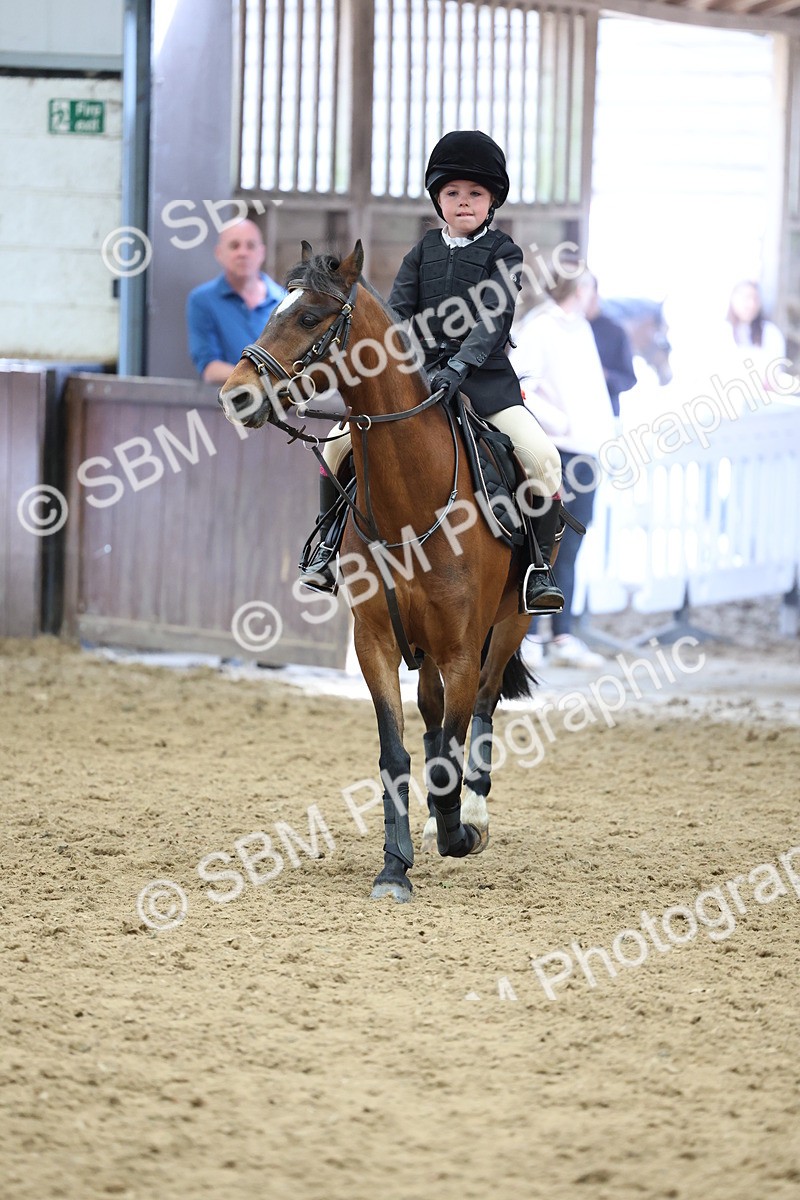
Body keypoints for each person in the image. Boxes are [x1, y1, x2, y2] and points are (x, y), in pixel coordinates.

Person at [300, 130, 565, 615]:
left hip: (484, 382)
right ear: (438, 200)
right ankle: (325, 547)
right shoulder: (422, 250)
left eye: (475, 194)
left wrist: (460, 366)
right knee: (336, 445)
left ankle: (536, 571)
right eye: (453, 194)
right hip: (418, 377)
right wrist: (408, 366)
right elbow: (398, 312)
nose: (464, 203)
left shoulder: (504, 253)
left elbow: (492, 320)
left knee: (543, 458)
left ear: (492, 201)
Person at [509, 262, 616, 668]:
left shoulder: (581, 327)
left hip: (586, 449)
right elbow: (522, 383)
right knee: (542, 539)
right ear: (577, 288)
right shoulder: (540, 327)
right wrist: (558, 421)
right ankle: (531, 634)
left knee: (571, 544)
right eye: (589, 287)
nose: (594, 296)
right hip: (555, 449)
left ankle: (563, 633)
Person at [186, 218, 285, 384]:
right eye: (234, 246)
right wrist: (264, 376)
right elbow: (210, 369)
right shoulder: (202, 301)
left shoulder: (286, 301)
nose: (243, 253)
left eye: (250, 246)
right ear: (219, 253)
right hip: (228, 405)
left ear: (262, 253)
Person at [584, 274, 637, 418]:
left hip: (605, 414)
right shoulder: (569, 326)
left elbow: (629, 379)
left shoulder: (615, 331)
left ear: (595, 295)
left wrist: (605, 375)